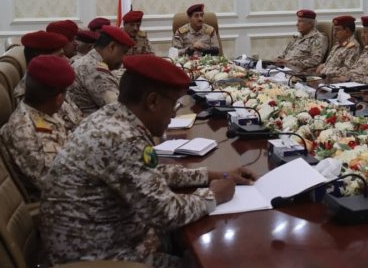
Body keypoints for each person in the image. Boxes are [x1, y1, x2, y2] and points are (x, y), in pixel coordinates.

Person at [41, 54, 256, 266]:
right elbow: (166, 214)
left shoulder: (113, 116)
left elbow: (149, 173)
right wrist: (214, 195)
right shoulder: (121, 138)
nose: (173, 115)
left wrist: (213, 175)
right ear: (152, 101)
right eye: (173, 104)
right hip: (99, 257)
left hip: (106, 240)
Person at [0, 55, 73, 200]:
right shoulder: (26, 132)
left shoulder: (44, 111)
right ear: (59, 99)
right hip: (57, 203)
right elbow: (57, 185)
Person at [15, 31, 84, 131]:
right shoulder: (35, 91)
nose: (67, 60)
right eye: (60, 56)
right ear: (42, 60)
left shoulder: (54, 81)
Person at [69, 26, 134, 114]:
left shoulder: (89, 61)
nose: (124, 58)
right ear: (112, 47)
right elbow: (119, 109)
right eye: (124, 52)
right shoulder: (95, 70)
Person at [275, 9, 328, 74]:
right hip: (285, 70)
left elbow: (315, 61)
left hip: (301, 74)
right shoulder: (298, 38)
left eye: (300, 21)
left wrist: (289, 62)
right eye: (297, 21)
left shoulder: (318, 38)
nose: (297, 24)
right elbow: (284, 54)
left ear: (310, 24)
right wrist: (278, 59)